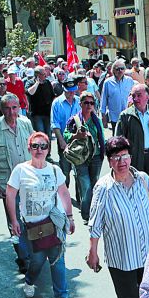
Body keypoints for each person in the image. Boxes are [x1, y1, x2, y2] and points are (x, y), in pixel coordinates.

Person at [87, 136, 149, 298]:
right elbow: (95, 221)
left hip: (148, 249)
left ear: (130, 157)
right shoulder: (103, 187)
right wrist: (92, 250)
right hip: (122, 254)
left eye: (125, 156)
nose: (121, 162)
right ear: (109, 161)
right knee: (128, 295)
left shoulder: (143, 179)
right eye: (115, 158)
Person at [6, 132, 77, 298]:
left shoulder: (54, 170)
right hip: (32, 225)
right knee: (37, 261)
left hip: (53, 222)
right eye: (35, 146)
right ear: (29, 148)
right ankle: (29, 281)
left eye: (43, 146)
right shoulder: (20, 170)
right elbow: (10, 194)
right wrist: (13, 220)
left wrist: (69, 216)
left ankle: (62, 296)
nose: (39, 150)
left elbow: (64, 193)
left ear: (48, 149)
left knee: (57, 259)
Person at [0, 93, 34, 271]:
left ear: (19, 107)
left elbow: (36, 150)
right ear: (1, 109)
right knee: (15, 222)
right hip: (8, 186)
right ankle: (24, 258)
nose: (12, 112)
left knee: (33, 219)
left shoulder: (26, 124)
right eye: (7, 108)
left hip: (30, 183)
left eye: (14, 107)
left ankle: (33, 254)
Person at [115, 82, 149, 198]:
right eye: (133, 96)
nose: (135, 99)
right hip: (135, 158)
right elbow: (118, 141)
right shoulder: (126, 116)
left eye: (139, 95)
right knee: (136, 188)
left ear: (147, 97)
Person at [63, 91, 107, 224]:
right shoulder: (74, 120)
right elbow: (66, 135)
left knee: (94, 185)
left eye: (91, 103)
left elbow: (102, 138)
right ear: (80, 104)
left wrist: (105, 153)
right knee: (86, 186)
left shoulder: (96, 120)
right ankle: (87, 214)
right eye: (86, 103)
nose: (89, 105)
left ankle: (94, 211)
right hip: (80, 158)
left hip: (96, 156)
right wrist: (76, 136)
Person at [100, 60, 134, 130]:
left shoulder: (130, 81)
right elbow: (103, 100)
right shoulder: (108, 82)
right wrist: (103, 117)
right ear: (113, 71)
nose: (120, 71)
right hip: (115, 117)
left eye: (122, 68)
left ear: (125, 70)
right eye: (117, 69)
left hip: (129, 115)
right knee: (116, 139)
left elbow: (133, 97)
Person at [25, 65, 55, 135]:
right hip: (36, 114)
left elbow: (53, 96)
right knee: (41, 134)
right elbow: (30, 93)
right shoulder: (30, 83)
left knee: (48, 135)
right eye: (44, 74)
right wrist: (37, 83)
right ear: (38, 75)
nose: (45, 76)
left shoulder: (47, 82)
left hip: (47, 113)